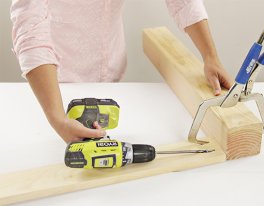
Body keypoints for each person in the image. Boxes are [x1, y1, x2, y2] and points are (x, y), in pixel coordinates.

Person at [10, 0, 233, 143]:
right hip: (54, 87)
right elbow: (30, 28)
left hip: (112, 78)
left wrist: (210, 55)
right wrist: (57, 117)